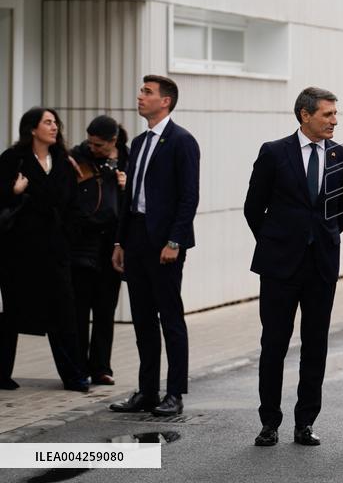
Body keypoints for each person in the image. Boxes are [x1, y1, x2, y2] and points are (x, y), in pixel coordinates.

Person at [244, 87, 343, 447]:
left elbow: (342, 212)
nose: (334, 121)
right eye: (327, 114)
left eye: (336, 114)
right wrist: (278, 241)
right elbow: (253, 207)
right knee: (273, 344)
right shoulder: (274, 152)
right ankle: (269, 422)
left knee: (315, 345)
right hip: (279, 266)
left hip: (320, 266)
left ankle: (305, 422)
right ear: (305, 115)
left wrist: (319, 238)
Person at [110, 75, 200, 417]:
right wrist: (120, 241)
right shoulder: (138, 142)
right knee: (142, 319)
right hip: (135, 240)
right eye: (141, 91)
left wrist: (175, 240)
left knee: (170, 318)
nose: (140, 96)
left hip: (166, 244)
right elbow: (129, 197)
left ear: (166, 101)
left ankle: (174, 392)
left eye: (147, 92)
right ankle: (147, 391)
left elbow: (189, 196)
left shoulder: (182, 141)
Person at [0, 108, 89, 392]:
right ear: (32, 129)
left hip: (55, 250)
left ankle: (74, 375)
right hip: (19, 252)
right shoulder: (12, 160)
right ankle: (1, 373)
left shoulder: (63, 161)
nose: (54, 127)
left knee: (64, 312)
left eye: (55, 123)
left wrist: (68, 237)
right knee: (12, 313)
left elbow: (74, 205)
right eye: (47, 122)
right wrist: (13, 193)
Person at [69, 115, 129, 387]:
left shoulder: (128, 159)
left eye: (99, 146)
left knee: (105, 309)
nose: (93, 148)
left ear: (113, 141)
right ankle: (78, 366)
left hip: (112, 244)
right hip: (82, 241)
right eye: (90, 143)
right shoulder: (77, 158)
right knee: (79, 309)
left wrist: (124, 186)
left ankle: (101, 367)